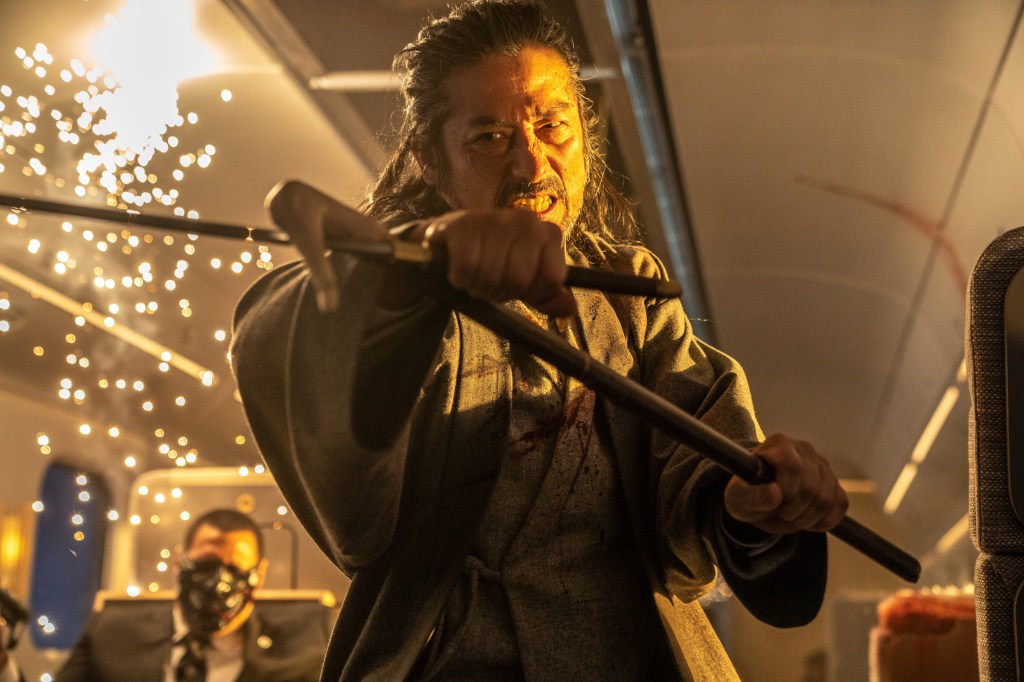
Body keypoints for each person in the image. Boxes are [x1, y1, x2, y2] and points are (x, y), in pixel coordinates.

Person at [230, 1, 849, 680]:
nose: (531, 164)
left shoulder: (630, 293)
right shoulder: (402, 287)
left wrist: (749, 502)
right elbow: (281, 335)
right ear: (429, 159)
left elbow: (700, 471)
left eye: (553, 126)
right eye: (490, 137)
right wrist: (408, 268)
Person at [0, 508, 329, 682]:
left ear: (260, 573)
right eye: (206, 563)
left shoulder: (306, 651)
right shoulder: (112, 633)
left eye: (236, 568)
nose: (219, 583)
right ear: (178, 563)